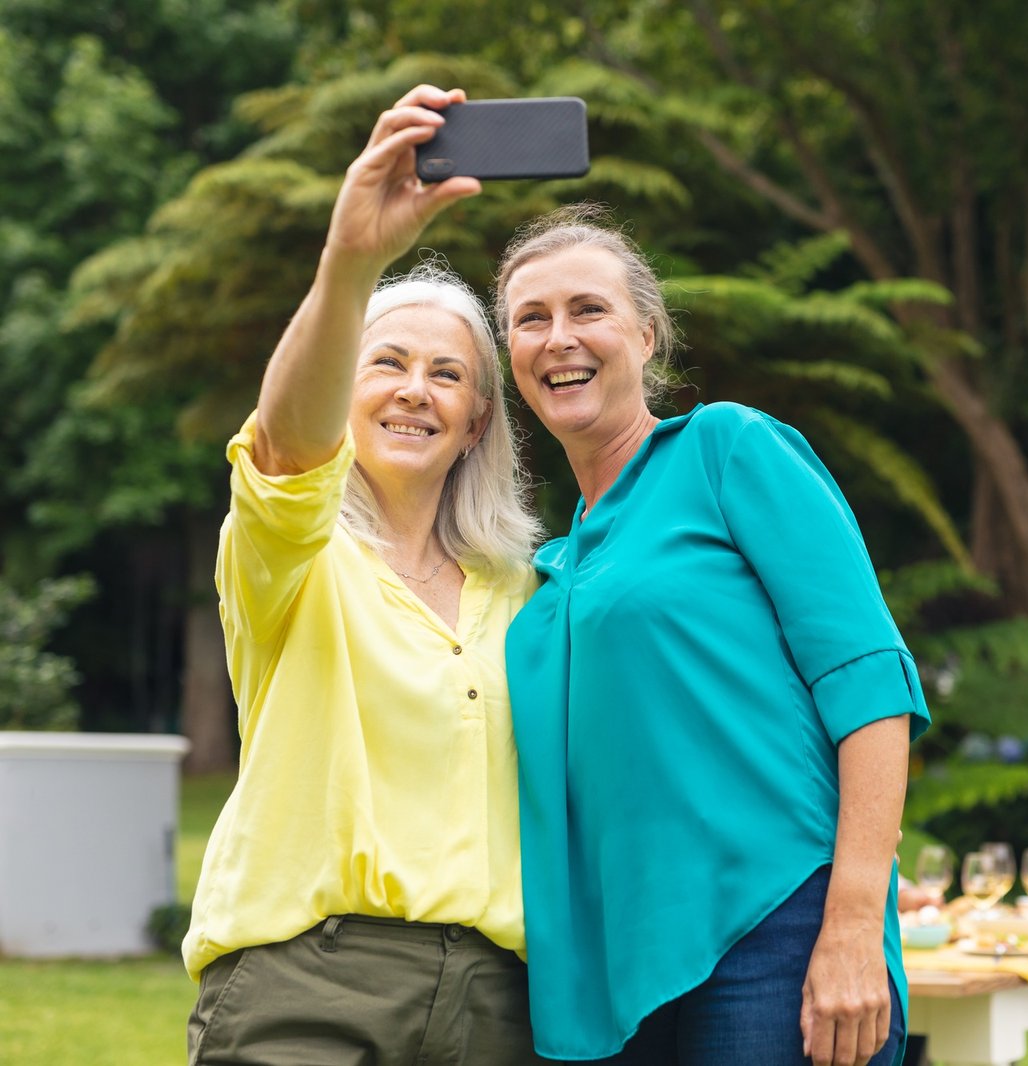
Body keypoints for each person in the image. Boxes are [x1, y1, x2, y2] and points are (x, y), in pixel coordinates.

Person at [498, 205, 930, 1066]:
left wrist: (852, 923)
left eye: (589, 309)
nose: (559, 337)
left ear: (646, 336)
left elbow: (870, 682)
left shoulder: (727, 448)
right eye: (530, 319)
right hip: (619, 974)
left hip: (776, 931)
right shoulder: (546, 566)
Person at [183, 85, 541, 1064]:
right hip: (309, 989)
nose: (416, 390)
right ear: (343, 384)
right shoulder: (289, 556)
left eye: (447, 374)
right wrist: (351, 259)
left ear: (475, 422)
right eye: (387, 363)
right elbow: (287, 444)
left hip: (498, 1007)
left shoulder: (526, 592)